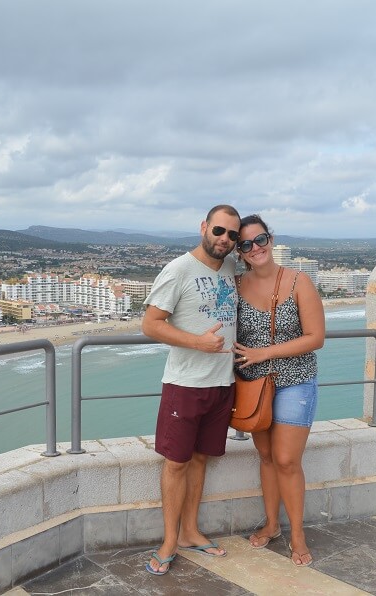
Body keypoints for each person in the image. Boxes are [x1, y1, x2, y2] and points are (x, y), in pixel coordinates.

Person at [141, 204, 241, 576]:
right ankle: (169, 540)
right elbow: (150, 325)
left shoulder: (231, 267)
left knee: (201, 459)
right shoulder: (178, 270)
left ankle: (190, 532)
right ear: (204, 227)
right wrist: (197, 343)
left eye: (232, 235)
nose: (225, 240)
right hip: (185, 385)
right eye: (219, 231)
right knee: (177, 462)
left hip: (222, 384)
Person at [231, 214, 325, 567]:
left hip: (295, 380)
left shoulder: (299, 281)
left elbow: (315, 338)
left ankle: (297, 536)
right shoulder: (237, 285)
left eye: (260, 239)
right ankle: (271, 524)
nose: (255, 248)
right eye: (246, 244)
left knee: (287, 460)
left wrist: (264, 353)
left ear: (271, 240)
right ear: (239, 251)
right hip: (254, 387)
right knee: (267, 457)